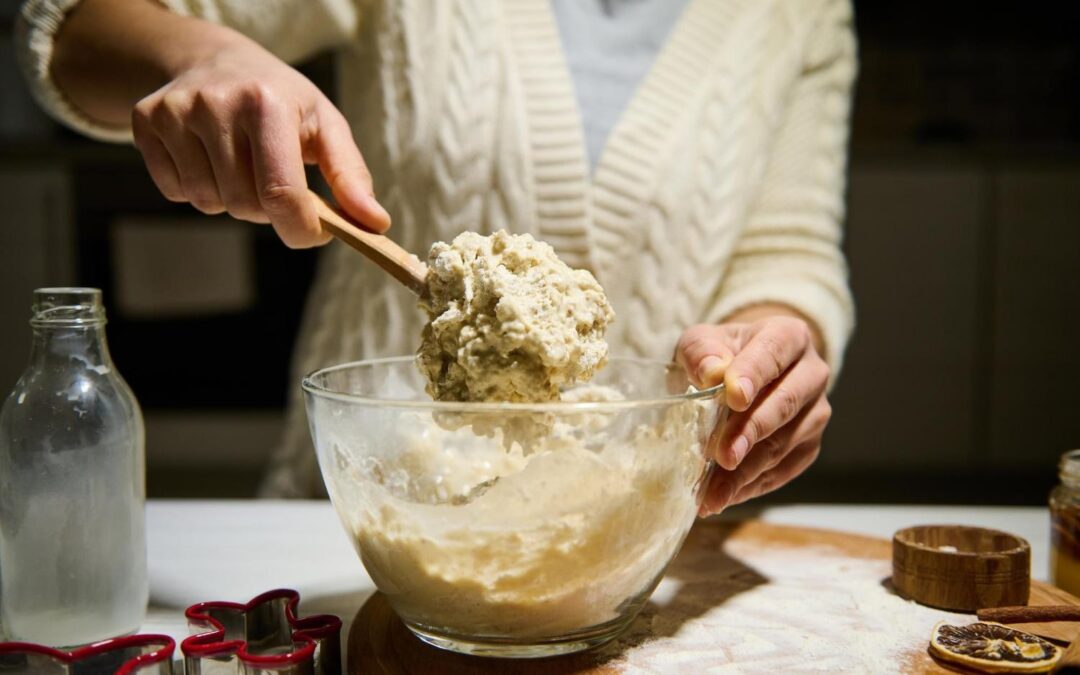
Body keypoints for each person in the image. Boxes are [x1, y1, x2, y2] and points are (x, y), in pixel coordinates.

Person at [17, 0, 856, 511]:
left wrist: (768, 350)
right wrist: (200, 53)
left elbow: (786, 252)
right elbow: (70, 32)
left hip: (641, 536)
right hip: (365, 515)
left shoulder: (800, 11)